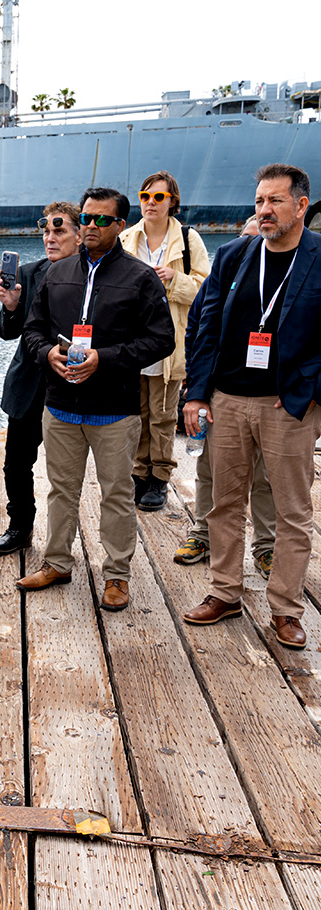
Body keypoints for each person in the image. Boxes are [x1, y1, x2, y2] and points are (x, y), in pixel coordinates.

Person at [182, 164, 321, 649]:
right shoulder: (234, 254)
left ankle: (285, 608)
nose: (263, 210)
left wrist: (308, 387)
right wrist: (197, 393)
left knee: (292, 512)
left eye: (275, 201)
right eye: (259, 201)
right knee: (225, 503)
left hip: (289, 407)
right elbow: (202, 326)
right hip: (228, 401)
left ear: (301, 206)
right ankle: (225, 592)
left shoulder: (320, 257)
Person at [18, 188, 174, 610]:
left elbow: (162, 339)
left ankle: (117, 575)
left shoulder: (140, 277)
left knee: (117, 494)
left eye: (101, 220)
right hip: (61, 405)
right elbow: (33, 330)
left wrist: (102, 359)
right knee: (60, 490)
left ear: (120, 225)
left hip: (114, 409)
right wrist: (47, 352)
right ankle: (56, 562)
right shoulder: (57, 272)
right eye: (86, 218)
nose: (90, 226)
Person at [173, 216, 276, 574]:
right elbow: (197, 330)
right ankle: (202, 534)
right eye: (245, 238)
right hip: (221, 394)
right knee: (209, 469)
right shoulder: (226, 275)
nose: (252, 246)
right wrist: (194, 387)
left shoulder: (282, 280)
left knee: (266, 476)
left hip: (270, 398)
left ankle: (267, 546)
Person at [0, 200, 82, 555]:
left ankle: (63, 540)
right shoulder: (29, 273)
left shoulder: (92, 276)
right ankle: (20, 527)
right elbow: (7, 331)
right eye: (46, 231)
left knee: (67, 472)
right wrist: (11, 306)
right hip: (30, 384)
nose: (50, 237)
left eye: (59, 230)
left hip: (74, 385)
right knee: (16, 463)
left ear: (79, 233)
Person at [119, 171, 211, 511]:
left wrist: (175, 279)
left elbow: (206, 290)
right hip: (131, 342)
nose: (150, 203)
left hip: (168, 341)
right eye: (145, 196)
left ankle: (159, 478)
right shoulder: (127, 239)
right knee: (135, 415)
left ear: (173, 200)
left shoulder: (188, 240)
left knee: (161, 416)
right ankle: (138, 473)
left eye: (158, 197)